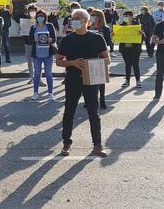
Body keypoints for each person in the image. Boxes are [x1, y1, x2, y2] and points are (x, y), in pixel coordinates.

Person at [56, 9, 109, 158]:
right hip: (72, 79)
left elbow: (106, 59)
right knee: (69, 112)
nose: (74, 20)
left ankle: (97, 145)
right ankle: (66, 143)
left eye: (78, 18)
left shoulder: (97, 38)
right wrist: (73, 63)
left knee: (94, 112)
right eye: (73, 18)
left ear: (87, 21)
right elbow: (59, 61)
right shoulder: (67, 39)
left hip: (91, 80)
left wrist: (92, 64)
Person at [27, 10, 57, 101]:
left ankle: (50, 93)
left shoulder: (49, 26)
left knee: (48, 74)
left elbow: (54, 39)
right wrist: (35, 40)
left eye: (42, 16)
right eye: (39, 16)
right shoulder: (33, 27)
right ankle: (35, 93)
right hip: (37, 54)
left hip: (48, 53)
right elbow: (29, 40)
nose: (41, 18)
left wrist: (51, 40)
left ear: (45, 17)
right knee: (37, 74)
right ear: (36, 17)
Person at [89, 9, 112, 109]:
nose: (92, 17)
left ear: (99, 17)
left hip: (101, 55)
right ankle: (89, 100)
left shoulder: (105, 28)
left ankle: (102, 100)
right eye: (91, 15)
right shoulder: (88, 27)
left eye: (94, 15)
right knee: (89, 79)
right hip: (89, 55)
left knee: (101, 80)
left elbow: (108, 42)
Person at [118, 11, 143, 88]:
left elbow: (143, 37)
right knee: (127, 64)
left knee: (135, 64)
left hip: (135, 48)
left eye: (127, 16)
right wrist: (113, 34)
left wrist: (142, 34)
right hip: (125, 48)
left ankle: (138, 80)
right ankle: (127, 80)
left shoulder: (137, 25)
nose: (125, 17)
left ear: (131, 16)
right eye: (124, 16)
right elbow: (116, 36)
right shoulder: (121, 25)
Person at [20, 4, 38, 84]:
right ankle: (31, 77)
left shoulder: (39, 20)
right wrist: (21, 30)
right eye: (30, 10)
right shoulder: (25, 19)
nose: (32, 12)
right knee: (29, 61)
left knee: (37, 61)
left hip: (37, 43)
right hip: (27, 42)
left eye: (33, 10)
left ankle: (38, 78)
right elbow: (22, 30)